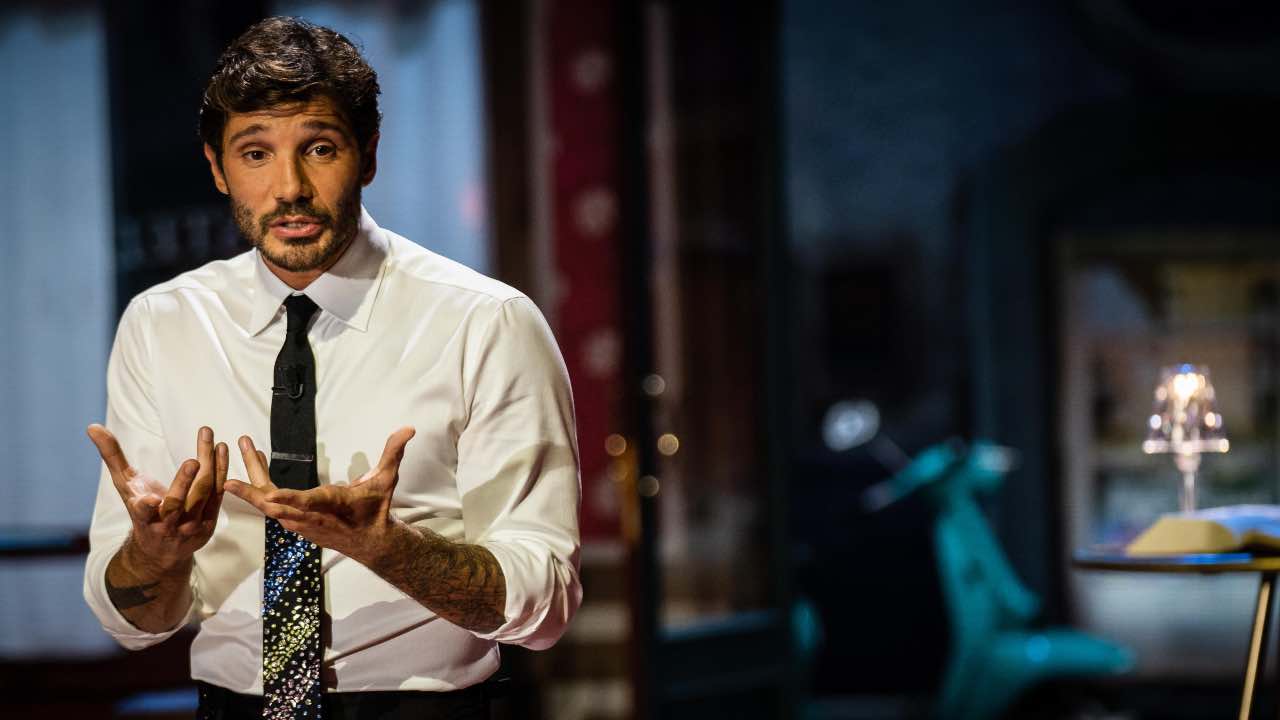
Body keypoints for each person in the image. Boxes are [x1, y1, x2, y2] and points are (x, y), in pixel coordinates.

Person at [82, 16, 581, 720]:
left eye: (319, 148)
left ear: (367, 155)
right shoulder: (161, 325)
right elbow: (135, 624)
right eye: (256, 154)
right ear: (218, 168)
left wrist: (388, 548)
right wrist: (157, 555)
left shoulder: (486, 322)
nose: (289, 187)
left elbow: (546, 606)